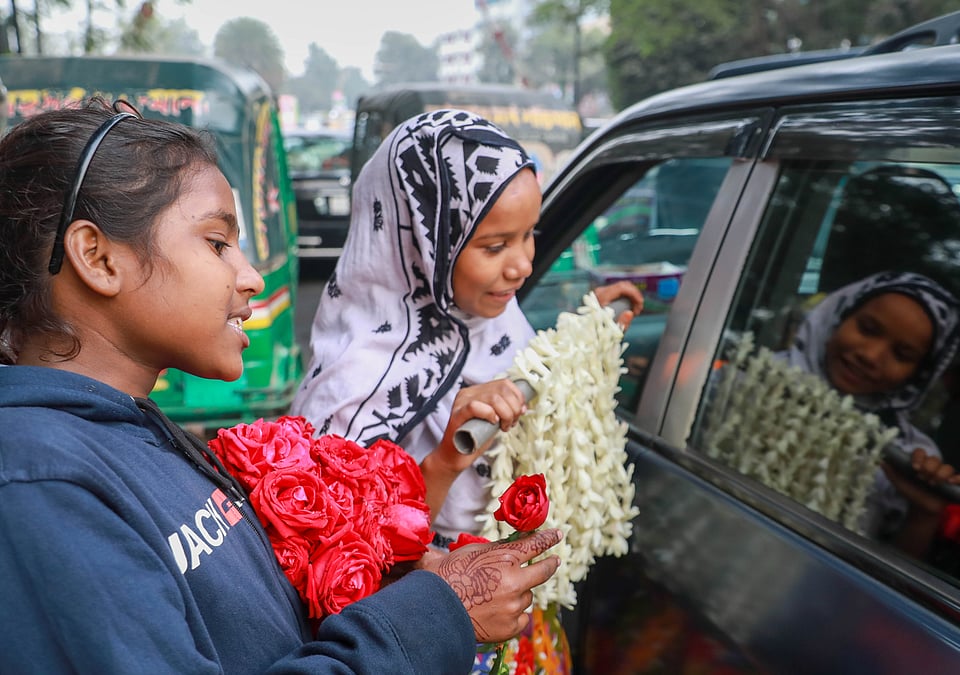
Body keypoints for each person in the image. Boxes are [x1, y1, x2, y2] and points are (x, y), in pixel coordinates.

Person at [0, 100, 563, 674]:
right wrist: (435, 615)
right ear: (97, 258)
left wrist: (401, 585)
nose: (250, 277)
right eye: (218, 243)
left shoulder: (133, 431)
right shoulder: (38, 486)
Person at [289, 109, 642, 547]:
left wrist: (590, 330)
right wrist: (444, 462)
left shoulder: (494, 321)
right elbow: (342, 559)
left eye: (530, 233)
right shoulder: (350, 390)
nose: (523, 265)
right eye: (495, 246)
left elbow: (537, 377)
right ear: (423, 245)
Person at [781, 270, 960, 554]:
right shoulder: (753, 379)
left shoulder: (909, 456)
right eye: (868, 329)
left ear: (919, 376)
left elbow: (891, 573)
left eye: (902, 355)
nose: (870, 356)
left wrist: (923, 515)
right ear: (839, 314)